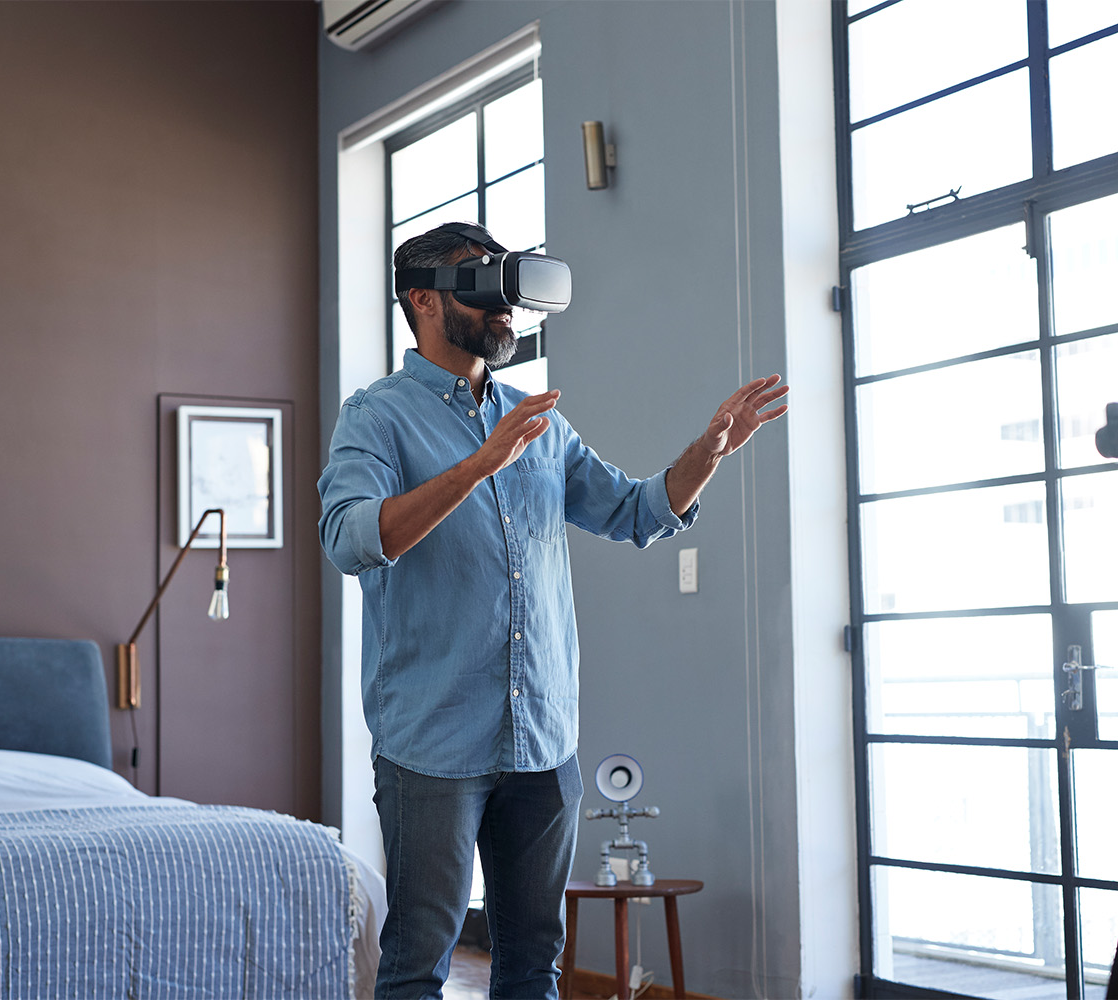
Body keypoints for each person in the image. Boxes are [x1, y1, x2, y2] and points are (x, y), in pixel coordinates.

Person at [317, 222, 789, 1000]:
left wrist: (710, 449)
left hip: (542, 742)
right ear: (425, 301)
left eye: (508, 283)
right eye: (481, 284)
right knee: (415, 967)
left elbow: (636, 512)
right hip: (430, 745)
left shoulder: (538, 421)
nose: (505, 305)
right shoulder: (376, 418)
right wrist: (478, 464)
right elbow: (350, 540)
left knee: (535, 965)